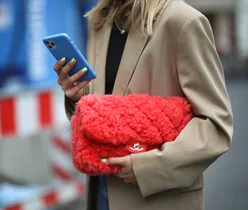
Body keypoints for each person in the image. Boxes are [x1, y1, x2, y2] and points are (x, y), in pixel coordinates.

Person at [53, 0, 233, 209]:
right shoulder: (100, 20)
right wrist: (77, 97)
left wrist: (148, 168)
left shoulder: (182, 21)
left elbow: (215, 123)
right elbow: (104, 102)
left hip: (157, 198)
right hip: (101, 190)